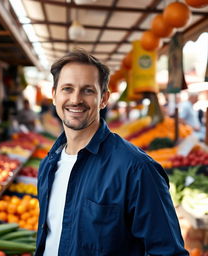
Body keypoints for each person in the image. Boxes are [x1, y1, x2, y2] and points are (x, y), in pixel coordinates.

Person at [35, 49, 189, 256]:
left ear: (104, 99)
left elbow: (168, 252)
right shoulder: (49, 164)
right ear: (54, 96)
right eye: (67, 89)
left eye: (88, 90)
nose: (76, 99)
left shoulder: (136, 169)